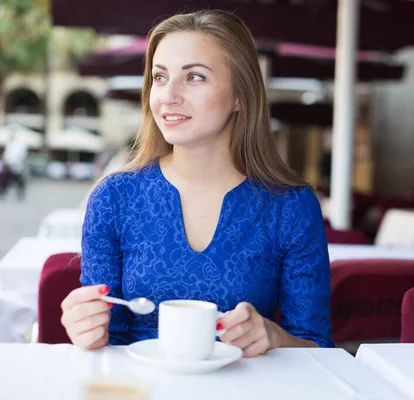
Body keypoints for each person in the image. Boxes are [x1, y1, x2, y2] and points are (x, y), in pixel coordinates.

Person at [60, 10, 333, 356]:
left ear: (240, 95)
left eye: (195, 77)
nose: (168, 96)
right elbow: (107, 341)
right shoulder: (114, 198)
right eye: (160, 77)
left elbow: (318, 347)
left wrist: (274, 337)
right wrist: (87, 329)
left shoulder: (291, 206)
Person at [1, 131, 29, 199]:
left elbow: (16, 156)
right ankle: (4, 192)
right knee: (9, 181)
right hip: (12, 167)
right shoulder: (12, 145)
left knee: (14, 181)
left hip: (15, 167)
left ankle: (6, 192)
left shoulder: (17, 145)